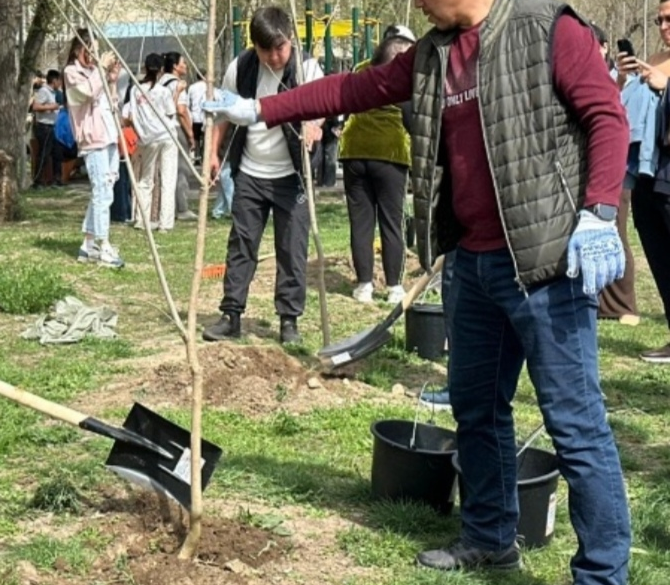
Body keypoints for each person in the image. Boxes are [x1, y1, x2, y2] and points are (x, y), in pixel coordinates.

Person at [205, 0, 632, 581]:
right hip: (472, 265)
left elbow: (606, 117)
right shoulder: (431, 54)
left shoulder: (548, 28)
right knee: (477, 411)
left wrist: (601, 210)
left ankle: (603, 573)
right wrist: (260, 108)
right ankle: (490, 536)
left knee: (575, 426)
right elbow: (352, 91)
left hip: (545, 264)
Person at [201, 5, 324, 346]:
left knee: (292, 249)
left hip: (291, 176)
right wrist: (212, 152)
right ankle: (231, 315)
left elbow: (323, 108)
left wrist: (314, 126)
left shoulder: (307, 68)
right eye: (266, 49)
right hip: (251, 174)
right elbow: (223, 113)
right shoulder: (240, 68)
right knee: (241, 245)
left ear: (291, 41)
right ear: (253, 44)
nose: (274, 56)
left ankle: (289, 320)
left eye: (280, 48)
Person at [339, 33, 416, 305]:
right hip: (389, 153)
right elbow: (410, 119)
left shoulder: (360, 70)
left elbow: (346, 107)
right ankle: (394, 287)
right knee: (391, 222)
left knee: (361, 223)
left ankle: (364, 286)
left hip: (354, 150)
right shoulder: (403, 76)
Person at [617, 9, 670, 357]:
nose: (664, 27)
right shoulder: (656, 59)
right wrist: (626, 80)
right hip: (649, 175)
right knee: (660, 258)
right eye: (659, 21)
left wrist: (667, 87)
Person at [63, 28, 124, 268]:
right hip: (93, 139)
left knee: (105, 190)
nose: (94, 55)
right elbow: (86, 94)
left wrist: (111, 81)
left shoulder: (93, 72)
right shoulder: (71, 72)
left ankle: (87, 245)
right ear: (79, 49)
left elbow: (111, 102)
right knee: (101, 192)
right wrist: (101, 71)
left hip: (108, 135)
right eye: (91, 49)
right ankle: (102, 243)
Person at [127, 53, 179, 232]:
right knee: (167, 179)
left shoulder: (136, 90)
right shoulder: (164, 92)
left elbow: (132, 114)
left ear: (144, 67)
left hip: (148, 139)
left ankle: (142, 219)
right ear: (162, 70)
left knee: (146, 180)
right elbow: (171, 113)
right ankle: (165, 223)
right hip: (167, 136)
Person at [162, 52, 199, 222]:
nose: (186, 66)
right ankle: (182, 207)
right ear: (175, 66)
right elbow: (181, 111)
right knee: (181, 169)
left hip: (162, 130)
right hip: (177, 129)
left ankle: (168, 206)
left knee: (166, 170)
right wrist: (190, 135)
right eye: (183, 63)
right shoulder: (178, 85)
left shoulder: (161, 81)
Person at [31, 69, 65, 188]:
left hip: (53, 126)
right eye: (59, 81)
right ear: (54, 80)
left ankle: (57, 178)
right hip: (44, 127)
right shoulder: (44, 91)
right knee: (44, 154)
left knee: (57, 153)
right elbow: (35, 107)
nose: (60, 84)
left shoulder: (54, 93)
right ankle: (38, 180)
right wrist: (51, 107)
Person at [188, 72, 208, 159]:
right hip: (205, 117)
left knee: (195, 138)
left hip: (194, 117)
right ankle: (204, 156)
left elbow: (188, 103)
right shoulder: (208, 87)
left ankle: (196, 155)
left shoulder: (191, 87)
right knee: (205, 137)